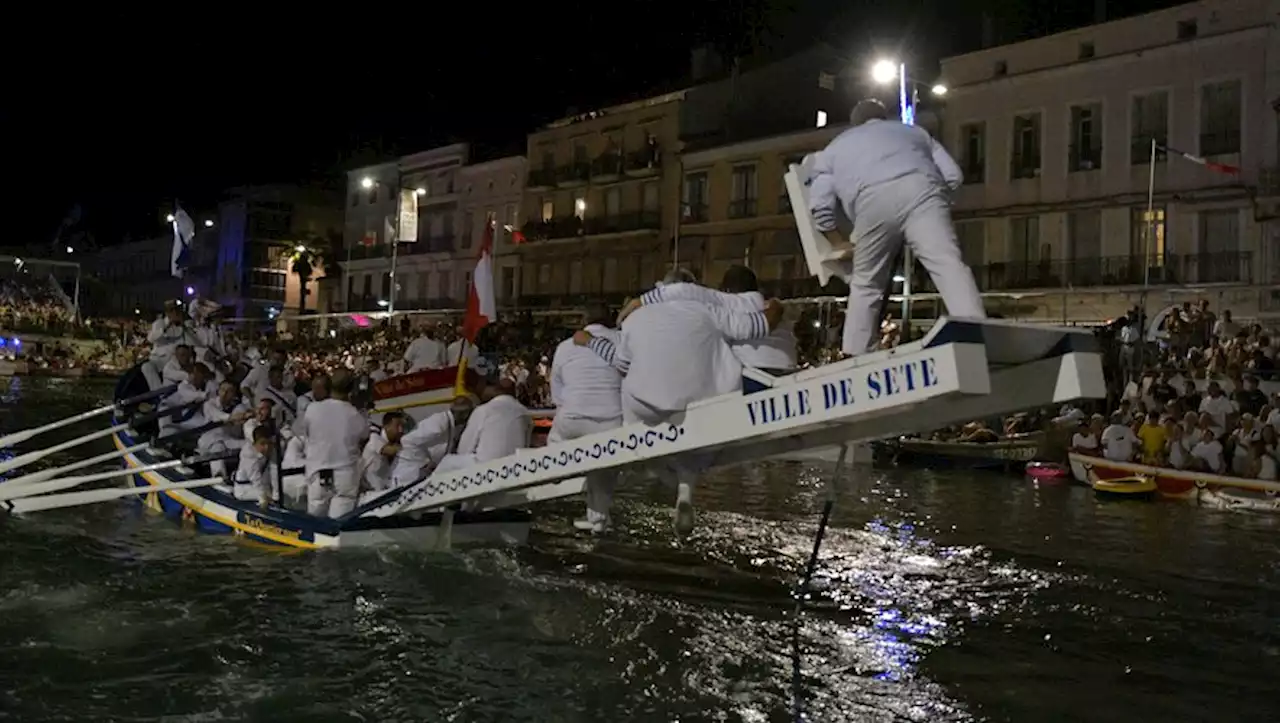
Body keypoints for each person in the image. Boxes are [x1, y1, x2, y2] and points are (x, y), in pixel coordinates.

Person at [578, 270, 782, 536]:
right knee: (699, 439)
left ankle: (647, 459)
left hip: (647, 406)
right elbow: (759, 326)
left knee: (630, 386)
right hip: (703, 401)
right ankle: (686, 486)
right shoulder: (707, 309)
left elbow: (620, 362)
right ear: (693, 288)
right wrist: (777, 306)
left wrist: (592, 342)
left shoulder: (634, 318)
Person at [808, 98, 985, 357]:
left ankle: (855, 353)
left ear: (854, 123)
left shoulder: (834, 149)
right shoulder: (915, 132)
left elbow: (819, 204)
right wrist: (936, 202)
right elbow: (953, 176)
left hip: (870, 199)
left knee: (867, 283)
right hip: (922, 190)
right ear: (885, 117)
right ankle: (974, 329)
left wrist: (837, 241)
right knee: (948, 264)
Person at [620, 266, 797, 373]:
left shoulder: (728, 303)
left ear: (726, 290)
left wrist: (641, 301)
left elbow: (685, 291)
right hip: (788, 369)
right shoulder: (774, 308)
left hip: (754, 375)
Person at [549, 304, 624, 533]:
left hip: (573, 417)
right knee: (603, 470)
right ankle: (598, 519)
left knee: (556, 438)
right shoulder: (621, 340)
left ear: (584, 322)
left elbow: (557, 391)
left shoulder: (565, 346)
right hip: (611, 419)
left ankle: (556, 469)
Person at [297, 369, 370, 518]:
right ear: (351, 390)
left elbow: (302, 433)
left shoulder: (312, 409)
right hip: (346, 477)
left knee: (315, 524)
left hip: (318, 473)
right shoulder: (355, 414)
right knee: (339, 526)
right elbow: (365, 436)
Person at [433, 379, 530, 475]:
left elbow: (464, 449)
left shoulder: (484, 410)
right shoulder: (525, 413)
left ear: (495, 390)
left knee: (447, 461)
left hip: (484, 468)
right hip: (513, 468)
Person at [232, 426, 277, 506]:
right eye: (262, 444)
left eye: (269, 443)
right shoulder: (248, 455)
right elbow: (256, 479)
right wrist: (263, 498)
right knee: (268, 498)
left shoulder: (271, 450)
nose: (267, 447)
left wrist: (276, 493)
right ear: (254, 443)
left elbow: (274, 472)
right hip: (245, 489)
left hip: (264, 485)